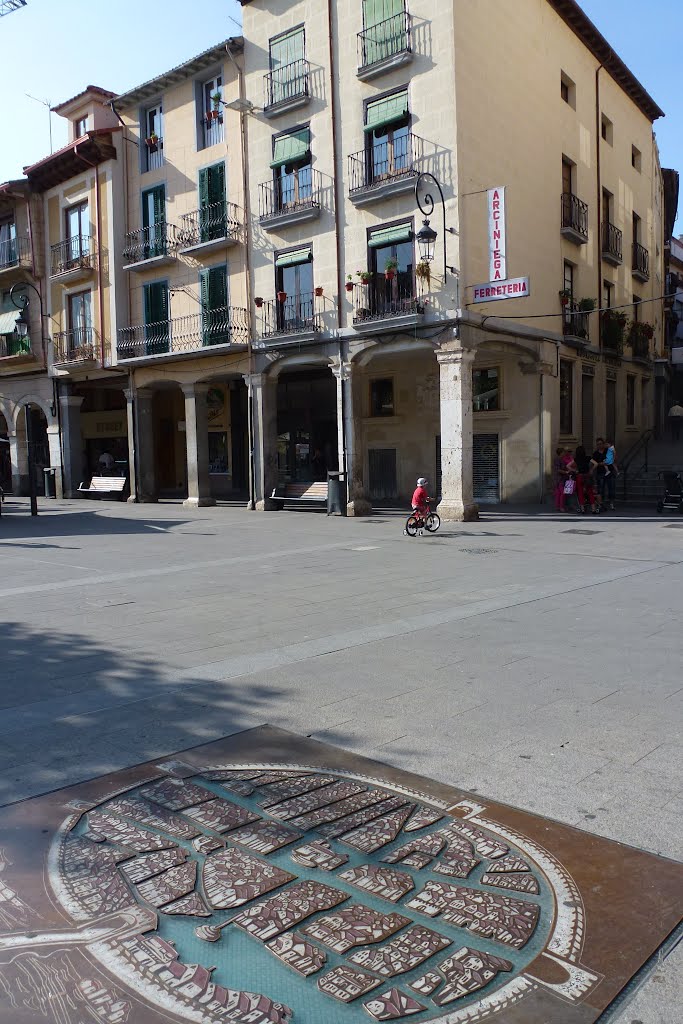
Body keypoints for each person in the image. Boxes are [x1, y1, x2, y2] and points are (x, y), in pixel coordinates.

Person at [573, 445, 598, 513]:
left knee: (580, 493)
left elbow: (568, 466)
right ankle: (593, 509)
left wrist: (575, 470)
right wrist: (591, 470)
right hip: (587, 476)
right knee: (590, 492)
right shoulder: (588, 458)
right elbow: (596, 464)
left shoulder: (576, 459)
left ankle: (582, 509)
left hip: (579, 477)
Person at [602, 438, 617, 510]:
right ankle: (602, 503)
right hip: (602, 472)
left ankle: (611, 504)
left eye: (605, 444)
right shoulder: (605, 451)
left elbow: (614, 459)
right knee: (602, 488)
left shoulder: (610, 450)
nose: (605, 445)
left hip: (611, 471)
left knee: (611, 488)